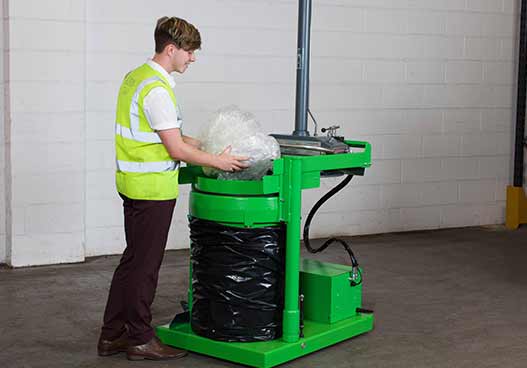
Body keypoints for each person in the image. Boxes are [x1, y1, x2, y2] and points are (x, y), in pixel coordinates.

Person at [97, 16, 248, 361]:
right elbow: (176, 149)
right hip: (151, 190)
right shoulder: (157, 90)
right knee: (145, 267)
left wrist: (210, 144)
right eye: (189, 51)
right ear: (171, 49)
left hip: (133, 183)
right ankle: (139, 338)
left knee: (132, 262)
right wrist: (217, 162)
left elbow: (168, 135)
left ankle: (112, 335)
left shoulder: (137, 77)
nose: (192, 58)